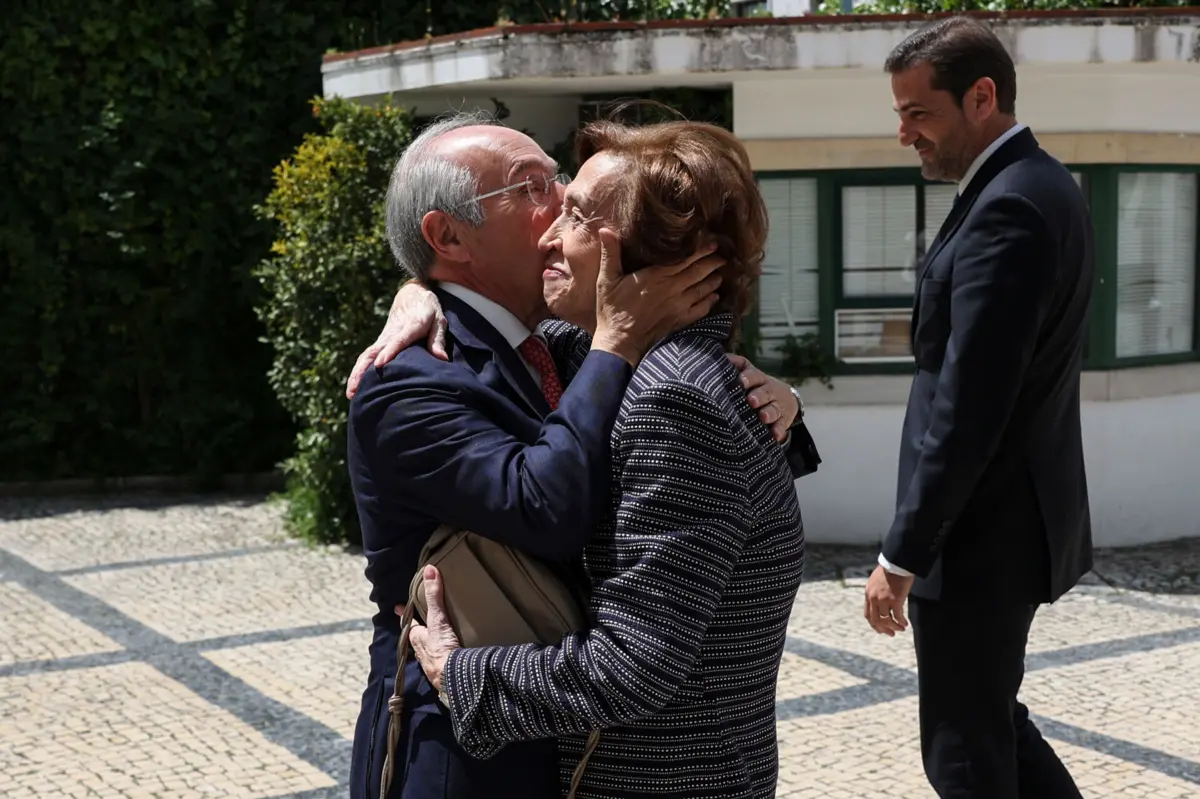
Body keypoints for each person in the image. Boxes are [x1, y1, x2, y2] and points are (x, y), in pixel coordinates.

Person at [345, 111, 808, 799]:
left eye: (570, 197)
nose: (557, 203)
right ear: (447, 234)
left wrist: (785, 404)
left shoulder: (609, 360)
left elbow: (642, 643)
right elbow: (547, 503)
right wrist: (418, 286)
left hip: (632, 762)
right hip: (463, 767)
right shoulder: (416, 375)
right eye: (531, 187)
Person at [861, 17, 1093, 799]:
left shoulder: (1010, 207)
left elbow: (969, 404)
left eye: (918, 114)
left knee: (963, 752)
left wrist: (903, 553)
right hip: (1000, 527)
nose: (904, 135)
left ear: (982, 97)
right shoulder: (1038, 184)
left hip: (978, 537)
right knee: (993, 722)